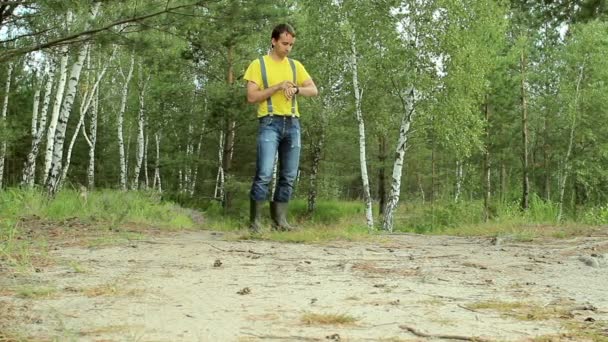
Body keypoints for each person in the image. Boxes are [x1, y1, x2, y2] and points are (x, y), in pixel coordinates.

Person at [244, 23, 318, 233]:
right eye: (285, 43)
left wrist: (295, 89)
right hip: (269, 123)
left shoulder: (296, 66)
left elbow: (313, 90)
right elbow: (251, 97)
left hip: (293, 124)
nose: (288, 48)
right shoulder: (259, 64)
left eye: (291, 44)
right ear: (274, 40)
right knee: (265, 174)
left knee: (288, 176)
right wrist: (277, 87)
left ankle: (280, 222)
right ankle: (255, 224)